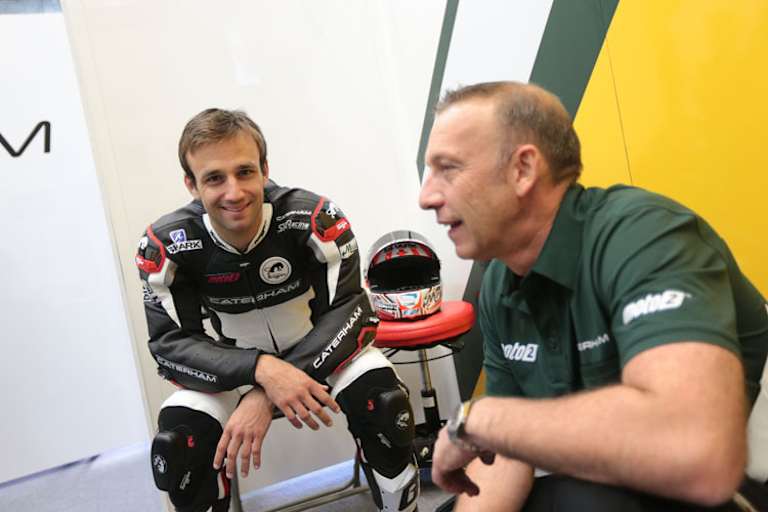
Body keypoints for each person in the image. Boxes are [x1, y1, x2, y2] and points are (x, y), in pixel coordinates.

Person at [419, 81, 768, 511]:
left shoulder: (644, 236)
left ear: (523, 170)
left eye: (448, 168)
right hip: (618, 483)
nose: (426, 196)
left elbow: (697, 451)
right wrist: (488, 425)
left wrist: (480, 419)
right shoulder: (500, 284)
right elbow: (505, 455)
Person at [136, 109, 419, 512]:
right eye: (214, 178)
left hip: (322, 351)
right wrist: (261, 373)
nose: (234, 192)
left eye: (245, 172)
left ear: (265, 170)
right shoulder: (166, 245)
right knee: (180, 441)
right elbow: (170, 344)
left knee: (384, 400)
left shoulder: (313, 218)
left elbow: (350, 309)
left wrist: (265, 394)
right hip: (232, 369)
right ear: (191, 185)